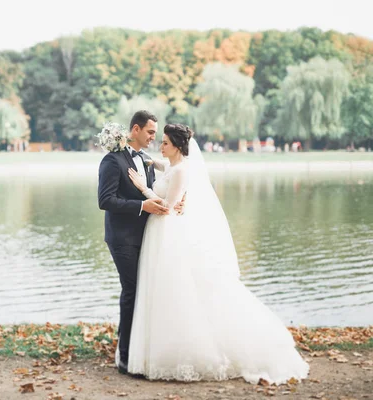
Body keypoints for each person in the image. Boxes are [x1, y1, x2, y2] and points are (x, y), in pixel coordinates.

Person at [125, 123, 309, 384]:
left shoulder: (182, 171)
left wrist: (142, 187)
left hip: (168, 232)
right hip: (159, 235)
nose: (161, 145)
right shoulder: (172, 166)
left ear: (177, 146)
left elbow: (166, 206)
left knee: (179, 290)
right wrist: (144, 159)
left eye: (165, 142)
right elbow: (162, 166)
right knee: (163, 291)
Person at [97, 111, 184, 376]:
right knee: (132, 291)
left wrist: (175, 202)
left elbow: (166, 187)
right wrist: (142, 206)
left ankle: (133, 349)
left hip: (146, 237)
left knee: (140, 292)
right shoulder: (112, 161)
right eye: (149, 133)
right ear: (135, 129)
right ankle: (125, 358)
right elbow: (105, 201)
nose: (153, 139)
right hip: (122, 238)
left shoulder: (146, 160)